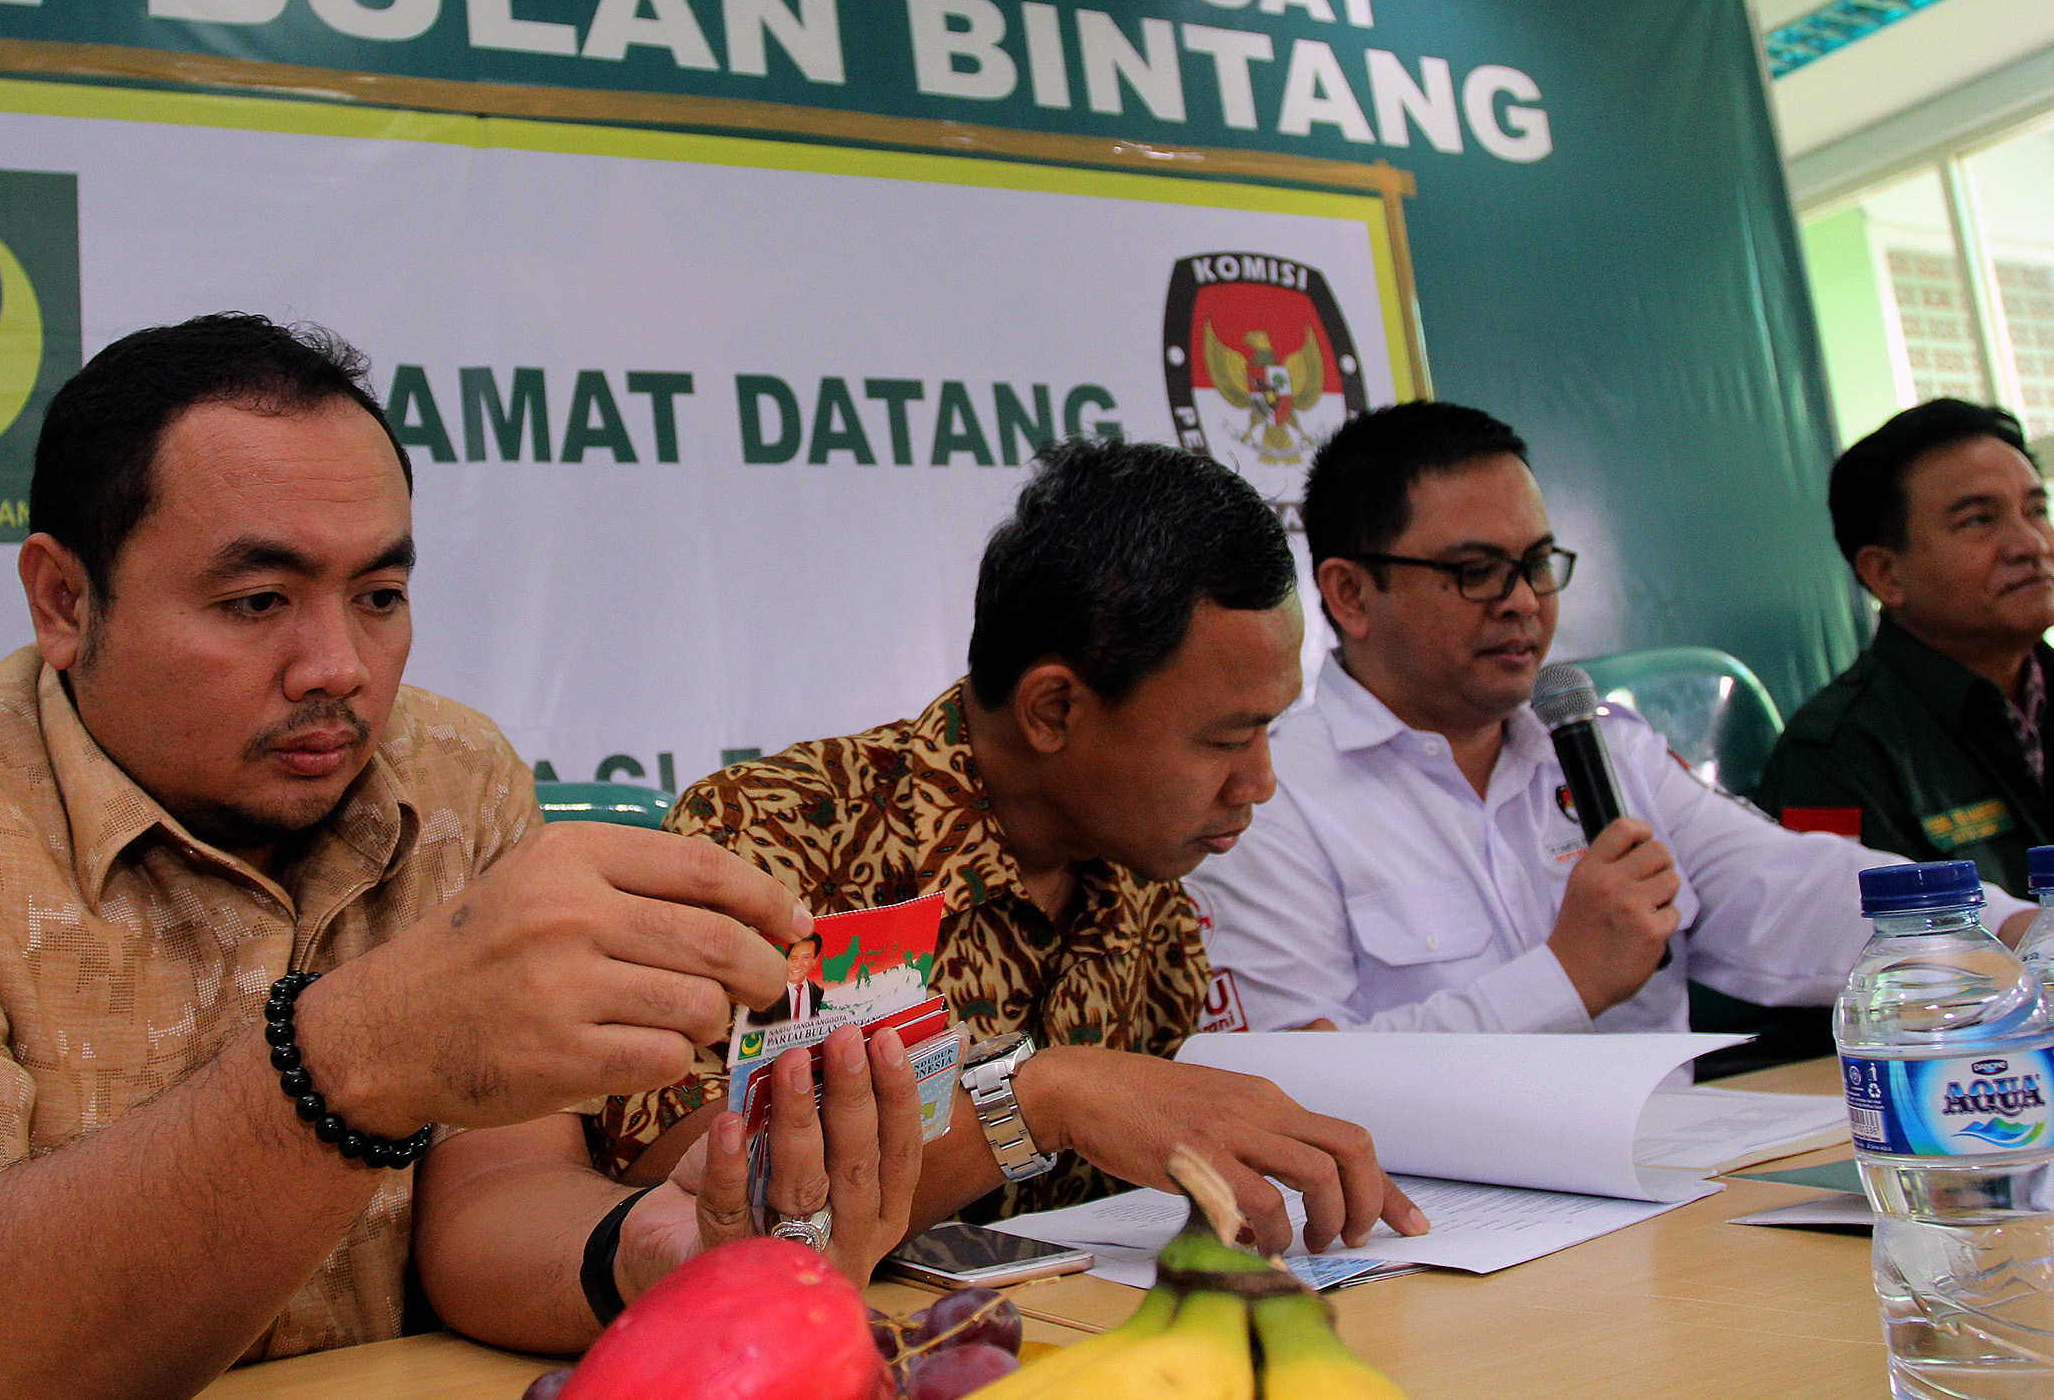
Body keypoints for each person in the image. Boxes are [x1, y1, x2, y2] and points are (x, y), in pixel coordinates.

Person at [0, 316, 925, 1400]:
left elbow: (491, 1194)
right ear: (64, 600)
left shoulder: (451, 775)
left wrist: (648, 1252)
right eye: (257, 601)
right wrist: (362, 1049)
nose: (338, 665)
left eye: (378, 595)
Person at [597, 440, 1429, 1258]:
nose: (1260, 781)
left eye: (1271, 729)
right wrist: (1039, 1099)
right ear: (1054, 710)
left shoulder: (1150, 895)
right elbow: (671, 1197)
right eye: (1225, 739)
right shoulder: (770, 837)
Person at [1189, 401, 2037, 1036]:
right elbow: (1300, 1081)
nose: (1523, 601)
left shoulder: (1604, 751)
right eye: (1477, 570)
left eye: (1536, 563)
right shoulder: (1269, 799)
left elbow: (1791, 886)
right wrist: (1565, 978)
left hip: (1671, 1185)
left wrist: (2006, 932)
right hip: (1434, 1213)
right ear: (1348, 593)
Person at [1756, 399, 2054, 894]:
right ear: (1886, 575)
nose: (2032, 545)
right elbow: (1845, 932)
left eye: (2037, 511)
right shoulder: (1834, 758)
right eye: (1979, 520)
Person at [752, 934, 829, 1025]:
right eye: (793, 958)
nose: (797, 964)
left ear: (815, 960)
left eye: (805, 957)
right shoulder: (768, 993)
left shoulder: (817, 992)